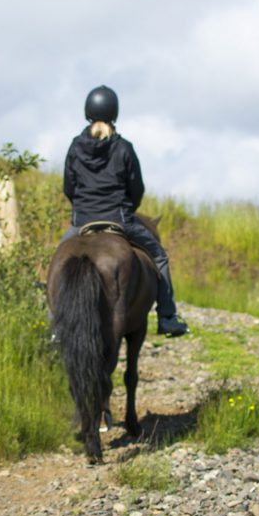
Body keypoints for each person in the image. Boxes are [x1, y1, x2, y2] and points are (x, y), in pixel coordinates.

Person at [62, 85, 189, 337]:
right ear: (114, 113)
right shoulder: (124, 148)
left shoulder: (75, 147)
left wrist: (83, 209)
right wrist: (127, 209)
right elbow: (136, 189)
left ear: (87, 112)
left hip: (82, 221)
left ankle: (55, 322)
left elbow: (69, 187)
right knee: (160, 257)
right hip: (119, 220)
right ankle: (167, 317)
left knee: (59, 259)